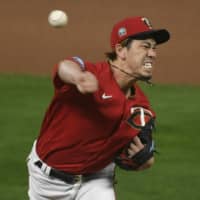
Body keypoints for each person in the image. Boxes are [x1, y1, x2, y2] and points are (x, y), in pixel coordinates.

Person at [27, 16, 170, 200]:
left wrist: (144, 159)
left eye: (154, 48)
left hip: (97, 181)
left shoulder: (141, 106)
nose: (152, 54)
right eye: (145, 46)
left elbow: (144, 153)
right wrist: (78, 77)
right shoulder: (92, 73)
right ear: (121, 50)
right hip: (48, 182)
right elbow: (65, 66)